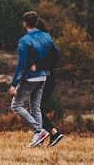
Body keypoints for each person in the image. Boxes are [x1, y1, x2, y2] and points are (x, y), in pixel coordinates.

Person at [9, 11, 57, 148]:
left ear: (24, 23)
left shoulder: (24, 41)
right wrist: (42, 66)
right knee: (35, 107)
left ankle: (39, 130)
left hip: (30, 78)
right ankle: (38, 139)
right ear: (36, 22)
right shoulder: (47, 37)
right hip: (43, 76)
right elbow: (54, 55)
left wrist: (14, 84)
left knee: (16, 105)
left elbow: (22, 64)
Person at [31, 17, 65, 147]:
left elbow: (51, 58)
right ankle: (43, 136)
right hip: (47, 79)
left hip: (46, 79)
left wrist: (40, 67)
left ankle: (53, 133)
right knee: (35, 109)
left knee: (34, 109)